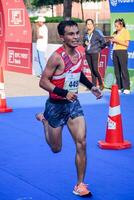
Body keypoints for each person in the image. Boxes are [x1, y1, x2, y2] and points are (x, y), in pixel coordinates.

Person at [36, 20, 102, 197]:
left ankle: (79, 184)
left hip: (73, 105)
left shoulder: (80, 52)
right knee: (56, 149)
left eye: (76, 33)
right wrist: (63, 92)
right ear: (62, 37)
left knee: (82, 142)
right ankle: (44, 120)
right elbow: (43, 82)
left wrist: (91, 86)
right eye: (71, 34)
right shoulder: (56, 57)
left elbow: (77, 73)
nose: (75, 37)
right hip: (55, 106)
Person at [83, 18, 107, 90]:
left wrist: (98, 49)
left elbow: (104, 42)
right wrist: (85, 43)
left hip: (95, 53)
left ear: (93, 25)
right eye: (87, 24)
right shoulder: (86, 34)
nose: (89, 25)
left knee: (95, 70)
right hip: (88, 53)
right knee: (91, 70)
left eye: (90, 24)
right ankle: (93, 86)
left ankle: (101, 84)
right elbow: (83, 43)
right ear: (86, 25)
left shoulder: (97, 33)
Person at [111, 18, 130, 94]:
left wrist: (117, 41)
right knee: (117, 70)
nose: (116, 27)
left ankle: (127, 88)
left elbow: (127, 44)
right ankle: (119, 86)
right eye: (115, 26)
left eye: (117, 26)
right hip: (115, 51)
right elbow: (113, 42)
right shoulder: (115, 33)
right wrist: (111, 41)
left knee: (123, 70)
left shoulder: (125, 32)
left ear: (121, 25)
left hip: (122, 51)